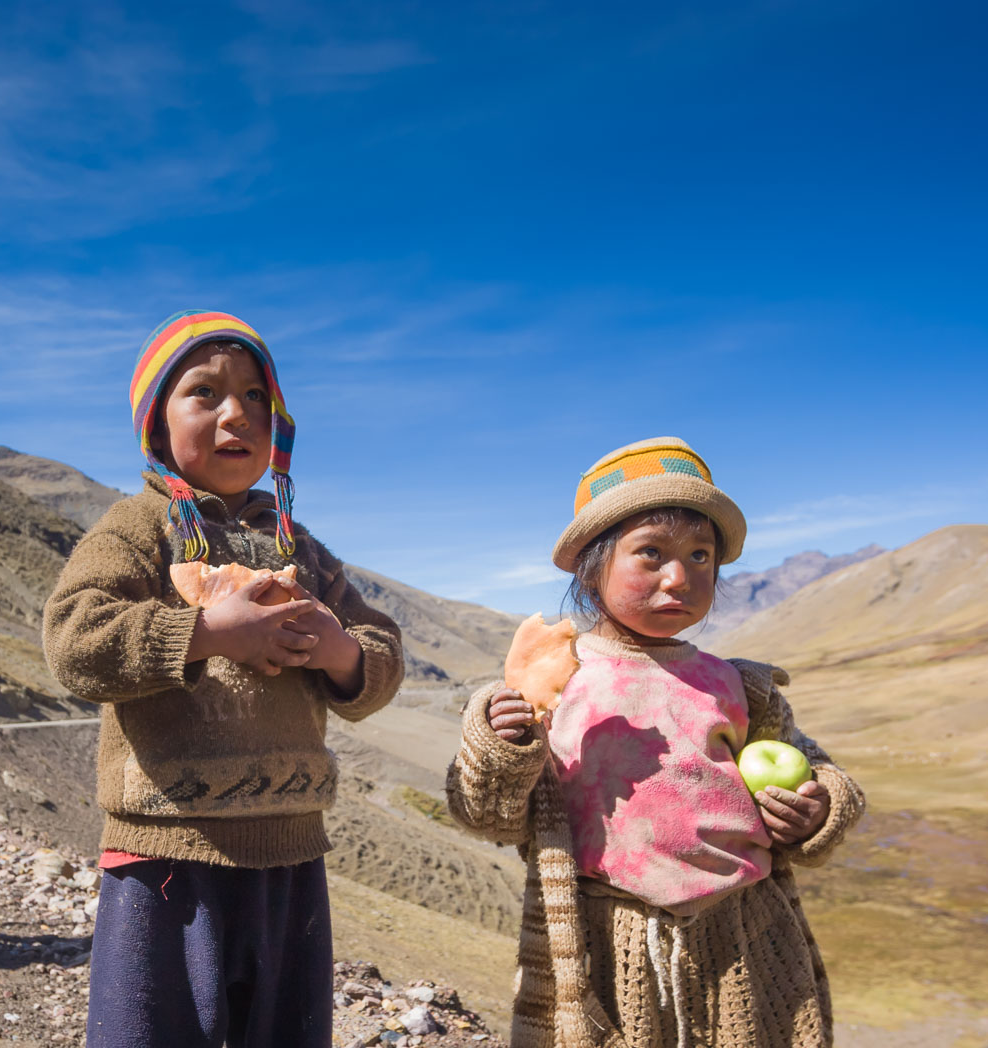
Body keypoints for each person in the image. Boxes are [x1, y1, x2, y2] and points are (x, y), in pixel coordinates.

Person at [42, 310, 404, 1047]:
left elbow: (383, 651)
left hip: (292, 854)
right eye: (204, 393)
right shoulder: (137, 530)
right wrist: (208, 632)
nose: (236, 413)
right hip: (165, 858)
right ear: (156, 424)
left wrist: (339, 652)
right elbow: (74, 642)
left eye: (256, 397)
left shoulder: (298, 549)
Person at [446, 437, 866, 1048]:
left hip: (743, 929)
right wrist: (503, 743)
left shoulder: (739, 685)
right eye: (651, 554)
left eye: (701, 556)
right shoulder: (554, 682)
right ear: (592, 568)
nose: (680, 578)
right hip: (605, 934)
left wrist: (817, 808)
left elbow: (819, 769)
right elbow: (487, 814)